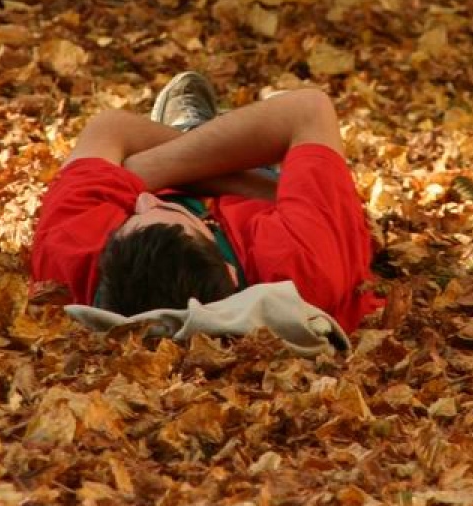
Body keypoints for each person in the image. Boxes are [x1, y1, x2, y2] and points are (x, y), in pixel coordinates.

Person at [29, 73, 382, 334]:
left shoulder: (70, 252)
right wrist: (267, 185)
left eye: (132, 215)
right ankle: (217, 141)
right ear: (230, 273)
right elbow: (309, 107)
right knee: (291, 124)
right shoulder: (302, 266)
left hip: (226, 184)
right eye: (175, 212)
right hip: (273, 198)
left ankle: (196, 134)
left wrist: (141, 170)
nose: (147, 200)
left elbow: (110, 127)